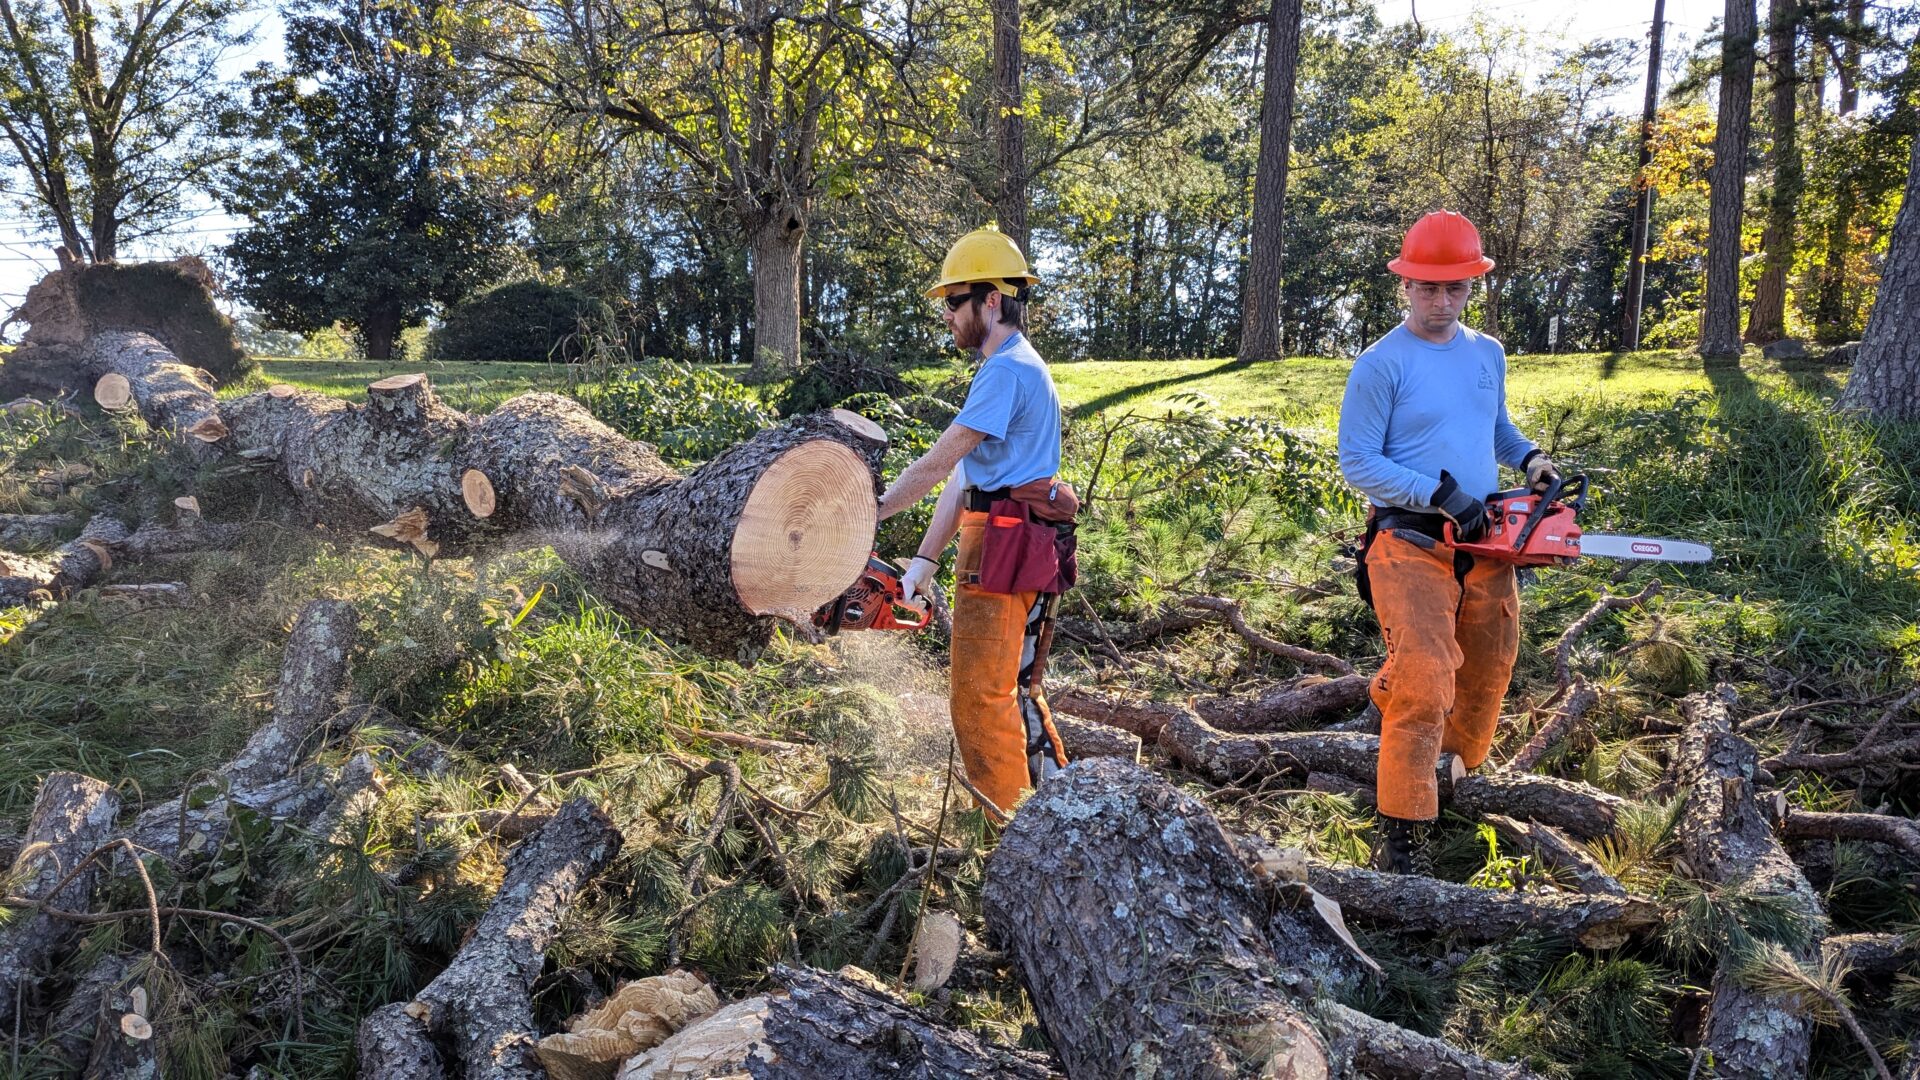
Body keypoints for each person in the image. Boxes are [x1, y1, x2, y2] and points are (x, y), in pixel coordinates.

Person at [1336, 210, 1559, 873]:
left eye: (1453, 289)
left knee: (1487, 673)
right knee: (1429, 675)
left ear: (1471, 287)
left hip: (1484, 540)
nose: (1440, 301)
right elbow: (1358, 463)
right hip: (1410, 541)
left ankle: (1454, 775)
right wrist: (1437, 495)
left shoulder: (1486, 352)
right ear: (1404, 286)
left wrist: (1531, 459)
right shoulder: (1381, 365)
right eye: (1427, 288)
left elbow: (1495, 426)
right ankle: (1401, 828)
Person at [876, 225, 1069, 818]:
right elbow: (965, 483)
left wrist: (867, 511)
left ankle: (1011, 827)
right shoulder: (1010, 368)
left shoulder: (1007, 370)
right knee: (1014, 688)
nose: (948, 316)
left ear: (993, 299)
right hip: (1007, 535)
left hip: (1006, 543)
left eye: (956, 301)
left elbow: (941, 459)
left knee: (979, 698)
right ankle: (1061, 813)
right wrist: (924, 563)